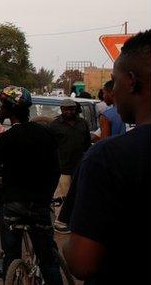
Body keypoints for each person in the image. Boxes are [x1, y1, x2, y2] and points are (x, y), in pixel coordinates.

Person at [64, 29, 151, 284]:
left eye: (114, 81)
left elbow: (82, 262)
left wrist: (65, 249)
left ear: (132, 82)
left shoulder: (107, 158)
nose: (111, 93)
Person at [0, 86, 64, 284]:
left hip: (12, 204)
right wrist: (46, 197)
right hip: (39, 204)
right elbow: (56, 170)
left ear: (10, 109)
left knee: (11, 255)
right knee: (48, 260)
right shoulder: (46, 134)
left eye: (2, 104)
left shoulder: (6, 138)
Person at [48, 98, 91, 234]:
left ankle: (73, 220)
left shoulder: (82, 124)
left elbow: (87, 145)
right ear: (61, 110)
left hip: (79, 166)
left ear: (75, 110)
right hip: (62, 166)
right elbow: (50, 147)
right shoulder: (54, 126)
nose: (68, 111)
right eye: (65, 109)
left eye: (71, 109)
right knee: (62, 195)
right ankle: (60, 222)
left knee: (78, 195)